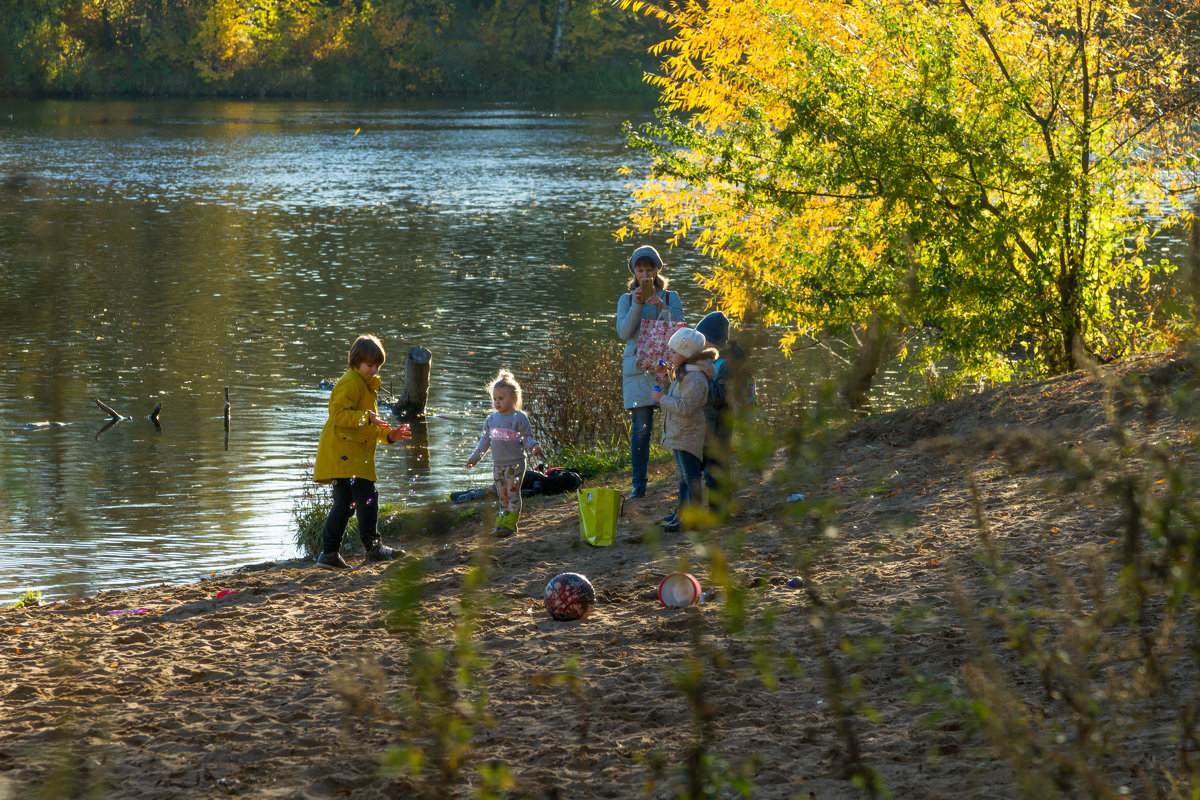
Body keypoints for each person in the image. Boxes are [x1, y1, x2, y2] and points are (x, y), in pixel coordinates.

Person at [312, 334, 412, 569]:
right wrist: (366, 417)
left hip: (347, 455)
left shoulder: (365, 386)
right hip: (347, 455)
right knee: (368, 498)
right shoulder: (351, 382)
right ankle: (373, 548)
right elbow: (337, 415)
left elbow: (367, 426)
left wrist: (389, 436)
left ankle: (329, 554)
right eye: (370, 365)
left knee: (345, 505)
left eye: (378, 366)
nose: (374, 370)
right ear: (356, 362)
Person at [616, 244, 685, 498]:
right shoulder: (626, 299)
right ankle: (639, 485)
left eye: (650, 269)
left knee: (678, 424)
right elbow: (624, 333)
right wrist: (637, 305)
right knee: (641, 429)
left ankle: (685, 481)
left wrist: (662, 308)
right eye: (640, 270)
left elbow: (680, 333)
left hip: (666, 368)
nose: (645, 275)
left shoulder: (670, 297)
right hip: (638, 370)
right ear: (634, 272)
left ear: (657, 270)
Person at [651, 327, 717, 532]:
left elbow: (686, 407)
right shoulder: (685, 373)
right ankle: (682, 512)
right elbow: (677, 392)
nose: (670, 356)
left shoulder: (695, 378)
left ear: (686, 354)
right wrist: (663, 377)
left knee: (691, 477)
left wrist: (661, 399)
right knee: (682, 478)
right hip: (679, 433)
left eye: (673, 352)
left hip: (688, 434)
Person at [466, 369, 543, 536]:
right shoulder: (491, 420)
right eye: (495, 399)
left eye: (501, 398)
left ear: (513, 398)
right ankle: (502, 524)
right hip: (498, 465)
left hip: (515, 464)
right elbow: (484, 443)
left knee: (513, 493)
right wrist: (474, 459)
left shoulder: (519, 418)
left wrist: (534, 446)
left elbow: (527, 437)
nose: (497, 402)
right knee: (502, 496)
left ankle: (509, 524)